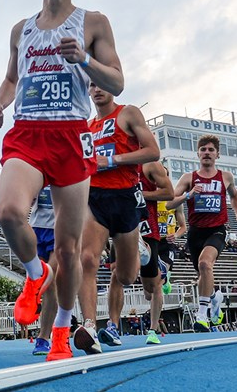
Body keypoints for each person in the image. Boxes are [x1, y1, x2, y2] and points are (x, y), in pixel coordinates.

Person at [0, 0, 124, 362]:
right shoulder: (21, 29)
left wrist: (84, 59)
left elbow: (118, 82)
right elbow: (12, 78)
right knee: (9, 213)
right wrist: (0, 102)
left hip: (70, 136)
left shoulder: (93, 22)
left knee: (68, 252)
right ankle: (35, 274)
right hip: (28, 133)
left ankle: (63, 330)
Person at [74, 84, 159, 354]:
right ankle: (89, 326)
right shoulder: (87, 126)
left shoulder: (128, 114)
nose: (97, 89)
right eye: (91, 85)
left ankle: (141, 250)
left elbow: (152, 151)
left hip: (125, 198)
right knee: (87, 259)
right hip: (95, 198)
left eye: (101, 84)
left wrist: (111, 159)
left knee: (125, 275)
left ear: (112, 87)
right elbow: (84, 162)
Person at [166, 135, 237, 332]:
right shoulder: (188, 178)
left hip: (217, 230)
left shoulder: (225, 177)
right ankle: (214, 298)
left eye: (211, 150)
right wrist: (189, 194)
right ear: (198, 154)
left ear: (217, 154)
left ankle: (202, 314)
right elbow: (170, 203)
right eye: (203, 149)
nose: (207, 153)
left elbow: (235, 195)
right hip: (195, 233)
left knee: (205, 264)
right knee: (202, 275)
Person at [137, 161, 174, 345]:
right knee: (147, 293)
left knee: (155, 286)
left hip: (156, 237)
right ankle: (111, 326)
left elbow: (170, 194)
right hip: (128, 228)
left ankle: (152, 329)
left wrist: (176, 233)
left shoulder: (169, 202)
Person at [28, 186, 57, 356]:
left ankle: (44, 337)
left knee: (50, 282)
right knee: (38, 281)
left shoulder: (70, 163)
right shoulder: (38, 166)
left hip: (59, 227)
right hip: (36, 227)